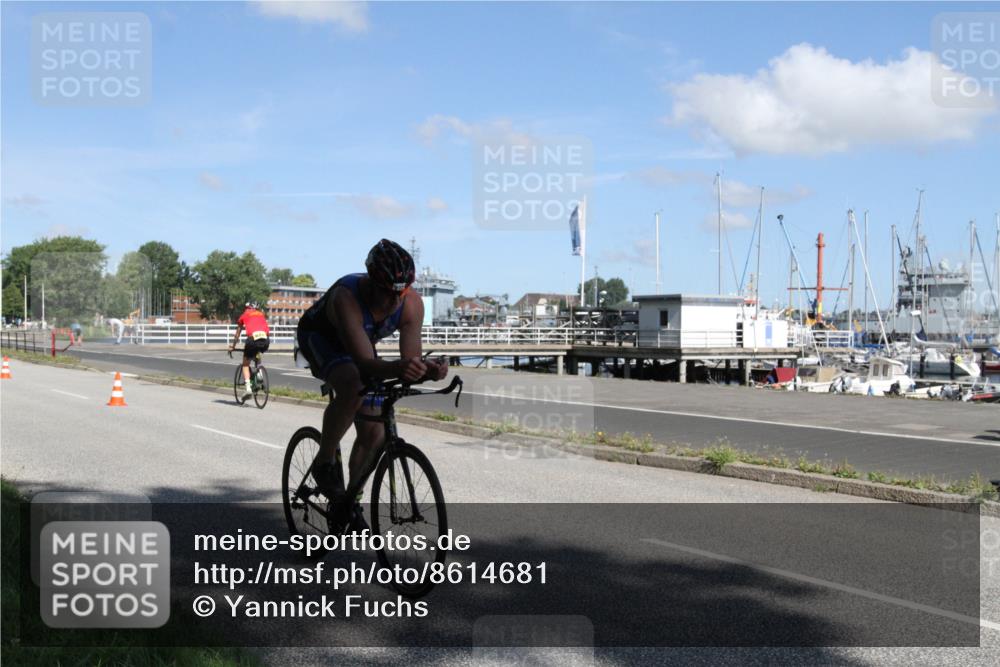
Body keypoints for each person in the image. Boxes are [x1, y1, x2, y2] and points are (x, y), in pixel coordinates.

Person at [296, 239, 448, 532]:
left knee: (374, 430)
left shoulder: (412, 304)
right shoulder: (347, 297)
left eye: (400, 293)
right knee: (353, 385)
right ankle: (324, 461)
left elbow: (409, 363)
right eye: (386, 292)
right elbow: (365, 364)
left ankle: (349, 500)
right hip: (321, 339)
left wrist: (428, 370)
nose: (394, 301)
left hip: (359, 346)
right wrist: (400, 368)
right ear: (370, 282)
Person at [229, 302, 271, 400]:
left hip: (252, 339)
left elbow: (237, 334)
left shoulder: (244, 315)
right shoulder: (260, 314)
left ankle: (248, 388)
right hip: (265, 339)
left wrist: (233, 346)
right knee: (257, 352)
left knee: (245, 364)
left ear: (246, 308)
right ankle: (259, 374)